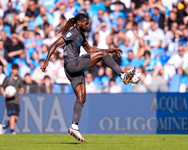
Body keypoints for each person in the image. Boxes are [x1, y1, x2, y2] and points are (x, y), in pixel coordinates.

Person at [40, 13, 136, 142]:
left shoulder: (81, 35)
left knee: (82, 98)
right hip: (72, 64)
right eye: (85, 23)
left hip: (72, 70)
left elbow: (90, 49)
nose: (87, 25)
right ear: (79, 23)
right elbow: (54, 44)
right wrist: (46, 61)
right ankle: (123, 75)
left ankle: (74, 126)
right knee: (101, 54)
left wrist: (109, 51)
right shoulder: (72, 33)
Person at [0, 63, 24, 134]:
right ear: (11, 70)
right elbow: (2, 87)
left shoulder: (20, 79)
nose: (16, 71)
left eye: (17, 70)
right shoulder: (8, 79)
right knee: (13, 116)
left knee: (16, 118)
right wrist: (4, 94)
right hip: (10, 101)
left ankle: (5, 126)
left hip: (17, 100)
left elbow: (21, 87)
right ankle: (12, 131)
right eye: (14, 70)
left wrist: (22, 90)